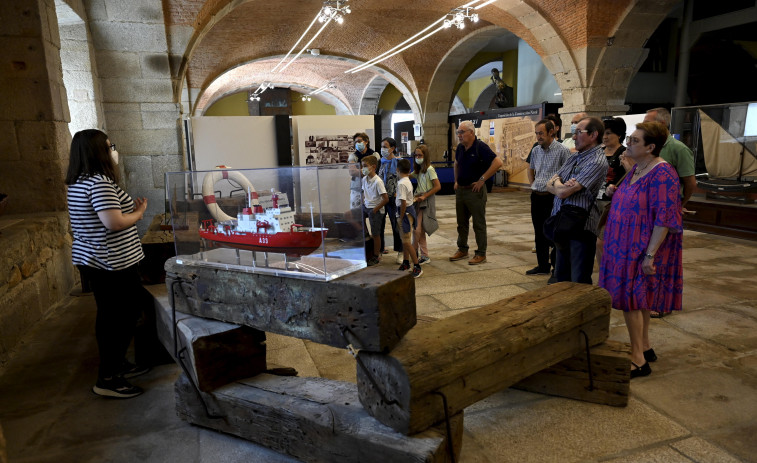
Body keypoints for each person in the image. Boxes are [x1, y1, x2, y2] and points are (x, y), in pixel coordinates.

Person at [65, 129, 150, 399]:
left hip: (97, 259)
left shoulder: (79, 180)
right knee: (121, 318)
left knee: (111, 316)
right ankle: (109, 378)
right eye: (110, 146)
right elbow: (113, 222)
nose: (114, 150)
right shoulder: (99, 182)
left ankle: (117, 364)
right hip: (112, 263)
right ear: (99, 151)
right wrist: (138, 213)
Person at [599, 122, 683, 378]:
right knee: (640, 300)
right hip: (623, 245)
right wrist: (617, 190)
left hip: (641, 247)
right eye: (629, 139)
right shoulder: (637, 168)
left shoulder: (663, 173)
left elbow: (665, 217)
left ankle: (637, 359)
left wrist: (650, 255)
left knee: (632, 300)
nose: (628, 144)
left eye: (634, 141)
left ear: (650, 147)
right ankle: (645, 347)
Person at [643, 107, 695, 319]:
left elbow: (690, 182)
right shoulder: (650, 148)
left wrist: (680, 203)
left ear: (661, 125)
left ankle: (662, 302)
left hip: (666, 212)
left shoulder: (678, 149)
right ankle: (646, 298)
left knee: (663, 259)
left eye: (647, 123)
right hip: (647, 212)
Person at [546, 117, 608, 283]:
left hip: (580, 226)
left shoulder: (597, 161)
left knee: (579, 278)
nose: (574, 137)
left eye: (579, 132)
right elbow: (549, 183)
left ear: (594, 135)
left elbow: (563, 192)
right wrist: (560, 185)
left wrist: (559, 186)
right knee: (562, 275)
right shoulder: (575, 157)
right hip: (563, 222)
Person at [450, 120, 504, 265]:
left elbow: (498, 163)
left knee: (478, 223)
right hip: (461, 191)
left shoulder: (481, 147)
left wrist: (482, 179)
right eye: (458, 133)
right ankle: (462, 249)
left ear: (471, 133)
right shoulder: (461, 148)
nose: (459, 135)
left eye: (461, 132)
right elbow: (456, 164)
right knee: (461, 223)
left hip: (475, 192)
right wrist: (456, 181)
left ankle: (481, 253)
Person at [527, 119, 570, 277]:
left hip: (552, 198)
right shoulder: (536, 150)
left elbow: (567, 174)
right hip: (536, 196)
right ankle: (542, 265)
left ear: (551, 132)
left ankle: (556, 269)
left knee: (554, 233)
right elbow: (531, 169)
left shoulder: (562, 150)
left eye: (541, 133)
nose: (538, 137)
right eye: (536, 133)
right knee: (539, 232)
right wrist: (534, 185)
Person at [412, 144, 441, 265]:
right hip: (417, 200)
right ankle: (424, 255)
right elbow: (408, 175)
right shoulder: (418, 169)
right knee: (420, 229)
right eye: (416, 155)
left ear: (425, 156)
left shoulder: (429, 169)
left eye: (420, 155)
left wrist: (425, 196)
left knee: (417, 230)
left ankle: (414, 252)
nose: (417, 157)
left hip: (425, 201)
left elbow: (438, 186)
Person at [395, 159, 422, 278]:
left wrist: (400, 217)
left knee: (406, 241)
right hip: (409, 212)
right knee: (404, 240)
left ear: (398, 170)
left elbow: (403, 203)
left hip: (404, 213)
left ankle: (417, 266)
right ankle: (406, 262)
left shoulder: (401, 183)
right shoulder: (407, 180)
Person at [378, 137, 403, 263]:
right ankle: (380, 250)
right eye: (382, 146)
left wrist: (398, 193)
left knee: (396, 224)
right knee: (379, 225)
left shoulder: (398, 162)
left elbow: (402, 180)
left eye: (385, 146)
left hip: (394, 199)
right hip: (381, 198)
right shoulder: (379, 162)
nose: (383, 149)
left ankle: (400, 251)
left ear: (392, 148)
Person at [361, 155, 388, 266]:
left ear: (373, 167)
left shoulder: (378, 181)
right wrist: (363, 204)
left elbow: (386, 199)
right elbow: (363, 193)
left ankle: (376, 255)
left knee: (376, 234)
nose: (363, 169)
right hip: (366, 206)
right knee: (355, 217)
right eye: (362, 166)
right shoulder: (364, 179)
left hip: (375, 208)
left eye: (365, 166)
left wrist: (375, 209)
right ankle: (367, 244)